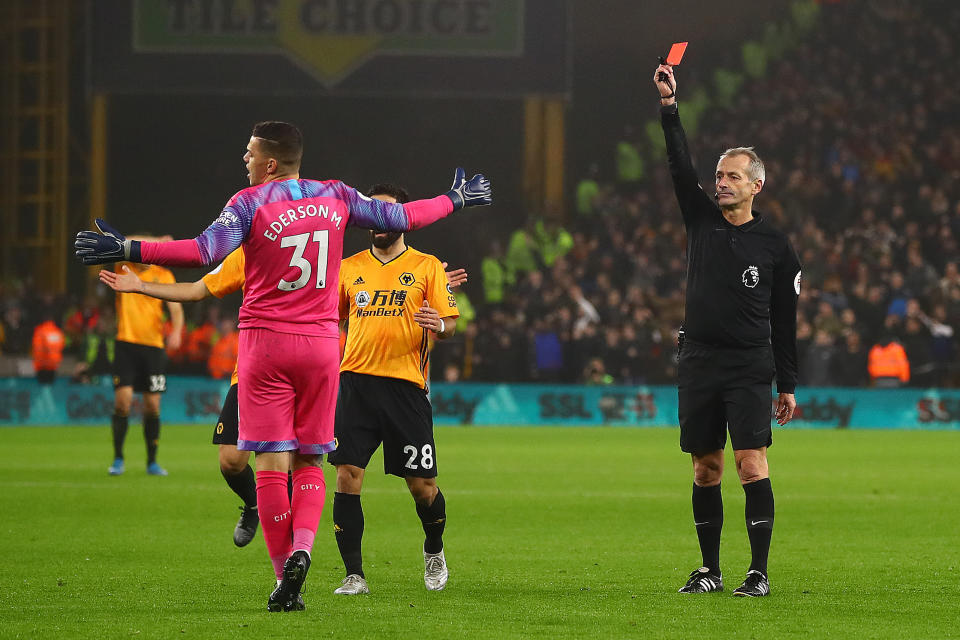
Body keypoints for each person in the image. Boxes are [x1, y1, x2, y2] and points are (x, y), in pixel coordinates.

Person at [77, 120, 492, 612]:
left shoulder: (249, 204)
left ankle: (284, 579)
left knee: (270, 465)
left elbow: (200, 251)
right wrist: (455, 199)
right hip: (320, 348)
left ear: (270, 161)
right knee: (313, 462)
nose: (245, 159)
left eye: (250, 152)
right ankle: (303, 549)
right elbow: (405, 215)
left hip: (265, 345)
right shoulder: (336, 195)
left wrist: (130, 249)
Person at [98, 195, 467, 552]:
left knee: (311, 465)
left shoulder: (318, 250)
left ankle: (296, 558)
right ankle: (271, 522)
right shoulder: (251, 252)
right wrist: (141, 284)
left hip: (318, 370)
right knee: (234, 461)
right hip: (261, 367)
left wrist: (425, 276)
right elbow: (198, 285)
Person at [654, 63, 801, 598]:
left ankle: (758, 573)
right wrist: (670, 108)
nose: (721, 182)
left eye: (732, 175)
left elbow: (785, 320)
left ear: (757, 185)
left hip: (748, 363)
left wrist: (787, 383)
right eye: (718, 174)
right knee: (705, 468)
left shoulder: (775, 246)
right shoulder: (701, 219)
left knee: (749, 461)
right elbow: (678, 166)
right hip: (698, 360)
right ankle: (709, 571)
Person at [329, 183, 460, 596]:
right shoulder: (347, 268)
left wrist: (436, 324)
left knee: (423, 488)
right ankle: (354, 575)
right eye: (372, 214)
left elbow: (450, 324)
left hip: (405, 387)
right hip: (355, 385)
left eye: (387, 214)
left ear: (403, 218)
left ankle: (434, 548)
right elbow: (330, 319)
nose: (378, 222)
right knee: (347, 476)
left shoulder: (427, 267)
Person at [108, 257, 184, 477]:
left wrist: (177, 331)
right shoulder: (124, 268)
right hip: (125, 344)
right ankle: (118, 458)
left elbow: (176, 308)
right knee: (123, 402)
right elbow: (127, 240)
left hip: (153, 348)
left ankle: (152, 461)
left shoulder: (164, 274)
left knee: (152, 405)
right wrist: (155, 242)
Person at [31, 311, 65, 384]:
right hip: (54, 364)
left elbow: (37, 347)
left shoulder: (40, 331)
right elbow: (61, 346)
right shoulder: (58, 332)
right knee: (51, 387)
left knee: (42, 388)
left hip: (42, 365)